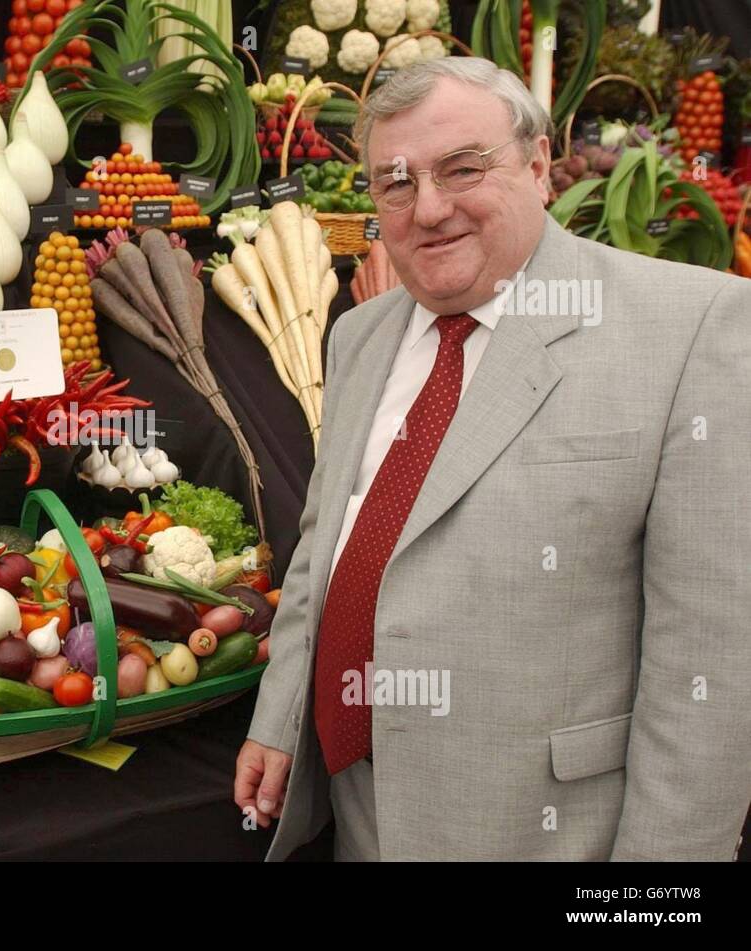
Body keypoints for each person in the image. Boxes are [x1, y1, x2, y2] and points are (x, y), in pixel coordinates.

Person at [234, 56, 751, 861]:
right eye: (396, 183)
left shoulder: (693, 328)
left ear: (539, 165)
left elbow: (714, 667)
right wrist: (280, 717)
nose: (429, 208)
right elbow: (322, 552)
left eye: (462, 169)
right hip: (361, 811)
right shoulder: (359, 336)